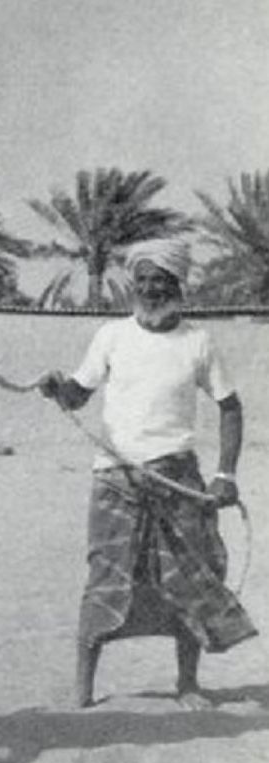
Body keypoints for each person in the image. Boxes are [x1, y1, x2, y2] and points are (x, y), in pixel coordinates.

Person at [39, 238, 257, 710]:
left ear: (178, 285)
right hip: (116, 479)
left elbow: (230, 408)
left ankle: (187, 684)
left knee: (192, 576)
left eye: (160, 280)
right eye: (142, 280)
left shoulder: (199, 342)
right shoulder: (111, 336)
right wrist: (59, 388)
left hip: (178, 479)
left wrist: (226, 475)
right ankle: (84, 687)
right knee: (105, 575)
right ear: (132, 285)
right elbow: (78, 394)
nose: (150, 289)